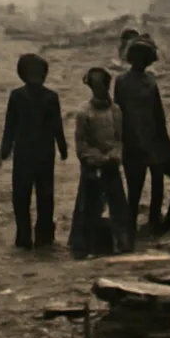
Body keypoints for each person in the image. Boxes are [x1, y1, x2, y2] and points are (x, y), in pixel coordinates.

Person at [0, 53, 68, 251]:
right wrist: (63, 149)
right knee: (42, 195)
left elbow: (10, 127)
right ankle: (42, 237)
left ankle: (25, 237)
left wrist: (5, 150)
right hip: (42, 153)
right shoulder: (49, 97)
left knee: (24, 196)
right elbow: (57, 127)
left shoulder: (18, 96)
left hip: (26, 153)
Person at [113, 34, 170, 246]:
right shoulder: (121, 81)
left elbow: (158, 113)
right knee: (134, 187)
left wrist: (165, 142)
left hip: (153, 139)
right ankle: (129, 229)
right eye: (137, 56)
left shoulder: (151, 81)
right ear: (131, 58)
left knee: (158, 182)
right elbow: (118, 112)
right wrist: (120, 140)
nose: (141, 61)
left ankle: (154, 223)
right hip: (132, 141)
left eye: (144, 57)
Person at [69, 67, 131, 259]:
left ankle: (122, 242)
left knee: (117, 203)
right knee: (87, 205)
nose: (99, 88)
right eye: (95, 85)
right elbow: (81, 142)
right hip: (92, 165)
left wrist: (113, 156)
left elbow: (119, 138)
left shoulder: (116, 110)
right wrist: (95, 159)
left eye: (102, 84)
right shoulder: (84, 113)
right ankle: (82, 246)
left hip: (111, 163)